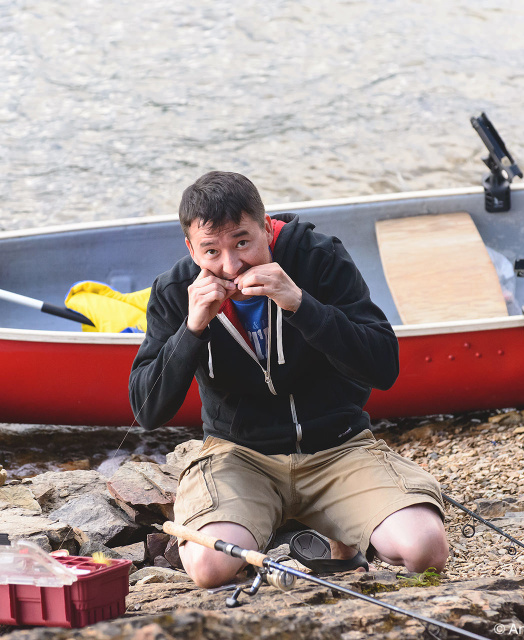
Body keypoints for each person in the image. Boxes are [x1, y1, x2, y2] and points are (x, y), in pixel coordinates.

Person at [129, 171, 448, 588]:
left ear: (266, 228)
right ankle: (278, 534)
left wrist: (301, 304)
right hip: (239, 455)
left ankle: (339, 541)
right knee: (209, 568)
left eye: (243, 242)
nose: (231, 265)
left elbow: (383, 366)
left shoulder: (318, 257)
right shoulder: (175, 291)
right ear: (191, 249)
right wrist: (190, 331)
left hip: (338, 447)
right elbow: (147, 411)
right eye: (211, 251)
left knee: (425, 550)